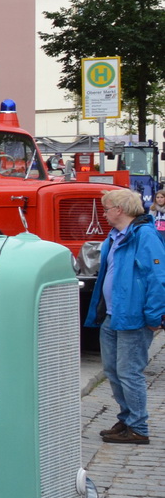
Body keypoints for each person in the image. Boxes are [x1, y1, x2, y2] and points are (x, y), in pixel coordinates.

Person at [84, 186, 165, 445]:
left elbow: (158, 279)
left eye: (107, 209)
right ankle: (127, 418)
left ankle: (138, 427)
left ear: (119, 210)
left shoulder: (145, 236)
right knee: (113, 370)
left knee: (129, 372)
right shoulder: (116, 236)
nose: (104, 214)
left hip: (133, 316)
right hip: (112, 315)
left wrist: (154, 318)